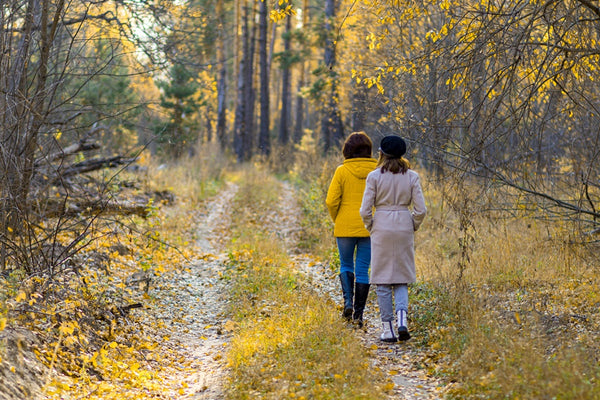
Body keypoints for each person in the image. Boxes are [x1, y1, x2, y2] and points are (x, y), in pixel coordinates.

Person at [359, 135, 427, 342]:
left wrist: (371, 225)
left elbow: (364, 210)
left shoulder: (374, 176)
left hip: (382, 225)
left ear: (381, 153)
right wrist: (412, 224)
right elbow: (421, 209)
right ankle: (402, 320)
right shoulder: (412, 176)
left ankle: (388, 329)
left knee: (382, 280)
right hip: (404, 224)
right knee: (401, 278)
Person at [326, 132, 377, 327]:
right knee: (363, 269)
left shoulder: (342, 171)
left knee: (346, 264)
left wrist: (337, 218)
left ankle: (347, 303)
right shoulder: (377, 170)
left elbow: (331, 201)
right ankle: (358, 315)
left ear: (347, 150)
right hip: (370, 226)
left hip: (345, 225)